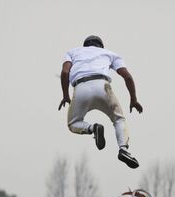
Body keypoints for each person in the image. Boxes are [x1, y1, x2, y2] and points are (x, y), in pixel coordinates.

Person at [58, 35, 143, 169]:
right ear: (101, 46)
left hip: (80, 88)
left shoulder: (73, 52)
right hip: (103, 86)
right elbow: (127, 77)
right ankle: (123, 149)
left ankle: (93, 128)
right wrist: (133, 99)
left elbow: (64, 72)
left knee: (73, 123)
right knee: (119, 120)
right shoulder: (109, 54)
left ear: (85, 46)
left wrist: (65, 95)